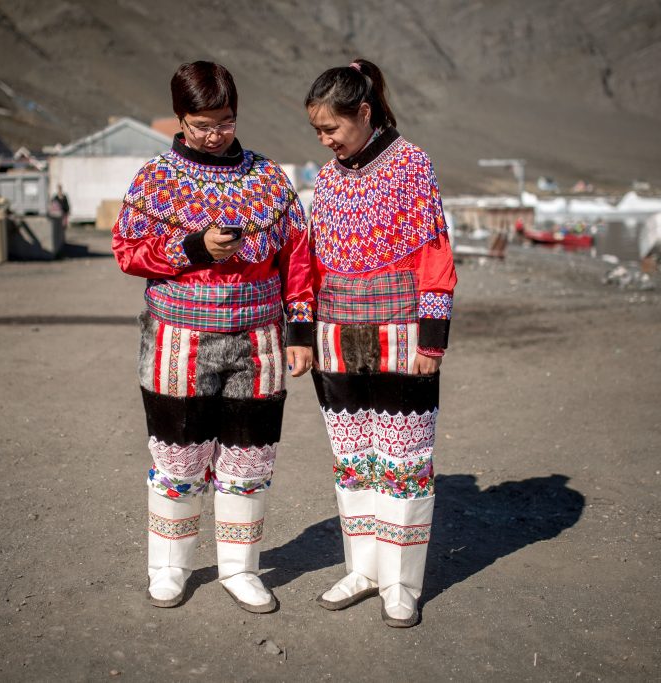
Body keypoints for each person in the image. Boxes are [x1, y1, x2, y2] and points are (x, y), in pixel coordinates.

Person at [112, 61, 315, 613]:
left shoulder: (269, 178)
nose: (216, 134)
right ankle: (170, 568)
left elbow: (298, 258)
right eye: (203, 125)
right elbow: (127, 252)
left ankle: (240, 570)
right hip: (177, 339)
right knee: (177, 457)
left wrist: (301, 330)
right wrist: (195, 248)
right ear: (181, 119)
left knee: (250, 458)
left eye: (225, 122)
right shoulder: (155, 178)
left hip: (260, 341)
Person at [304, 58, 457, 627]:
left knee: (405, 462)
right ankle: (363, 568)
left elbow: (435, 256)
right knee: (354, 461)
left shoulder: (413, 165)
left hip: (401, 336)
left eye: (332, 129)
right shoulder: (326, 177)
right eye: (318, 132)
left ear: (363, 113)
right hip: (336, 338)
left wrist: (432, 341)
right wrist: (306, 336)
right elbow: (313, 262)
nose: (326, 141)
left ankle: (401, 583)